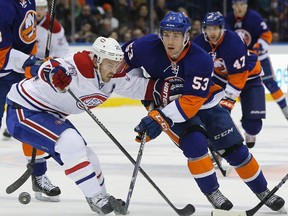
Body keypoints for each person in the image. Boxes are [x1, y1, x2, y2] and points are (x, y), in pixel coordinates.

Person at [121, 11, 285, 212]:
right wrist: (149, 91)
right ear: (160, 34)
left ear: (186, 36)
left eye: (176, 35)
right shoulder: (144, 46)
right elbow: (123, 65)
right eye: (166, 34)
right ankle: (212, 191)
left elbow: (191, 102)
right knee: (195, 144)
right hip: (167, 105)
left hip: (204, 103)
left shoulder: (200, 59)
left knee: (235, 149)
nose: (170, 41)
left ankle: (263, 191)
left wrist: (160, 118)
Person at [5, 36, 181, 214]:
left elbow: (137, 87)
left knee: (89, 157)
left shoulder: (112, 76)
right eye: (109, 64)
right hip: (24, 110)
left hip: (50, 114)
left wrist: (169, 88)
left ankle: (103, 198)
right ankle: (94, 196)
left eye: (117, 64)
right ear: (96, 59)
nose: (114, 69)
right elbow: (50, 66)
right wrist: (53, 73)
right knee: (70, 142)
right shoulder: (76, 66)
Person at [0, 0, 61, 202]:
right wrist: (29, 63)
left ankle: (39, 175)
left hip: (19, 74)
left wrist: (34, 63)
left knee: (32, 123)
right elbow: (1, 55)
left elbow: (26, 38)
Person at [193, 11, 265, 149]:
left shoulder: (233, 41)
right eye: (209, 28)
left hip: (250, 77)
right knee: (216, 117)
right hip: (221, 78)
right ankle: (221, 149)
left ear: (222, 28)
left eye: (215, 28)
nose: (212, 32)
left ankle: (249, 130)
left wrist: (229, 98)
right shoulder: (199, 43)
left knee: (253, 126)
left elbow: (239, 73)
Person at [225, 0, 288, 126]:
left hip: (259, 58)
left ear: (246, 6)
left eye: (242, 5)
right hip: (240, 61)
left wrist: (259, 45)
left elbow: (267, 34)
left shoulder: (254, 17)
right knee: (241, 88)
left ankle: (286, 111)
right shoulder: (228, 19)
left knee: (270, 83)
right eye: (236, 5)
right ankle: (245, 116)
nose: (239, 8)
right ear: (233, 7)